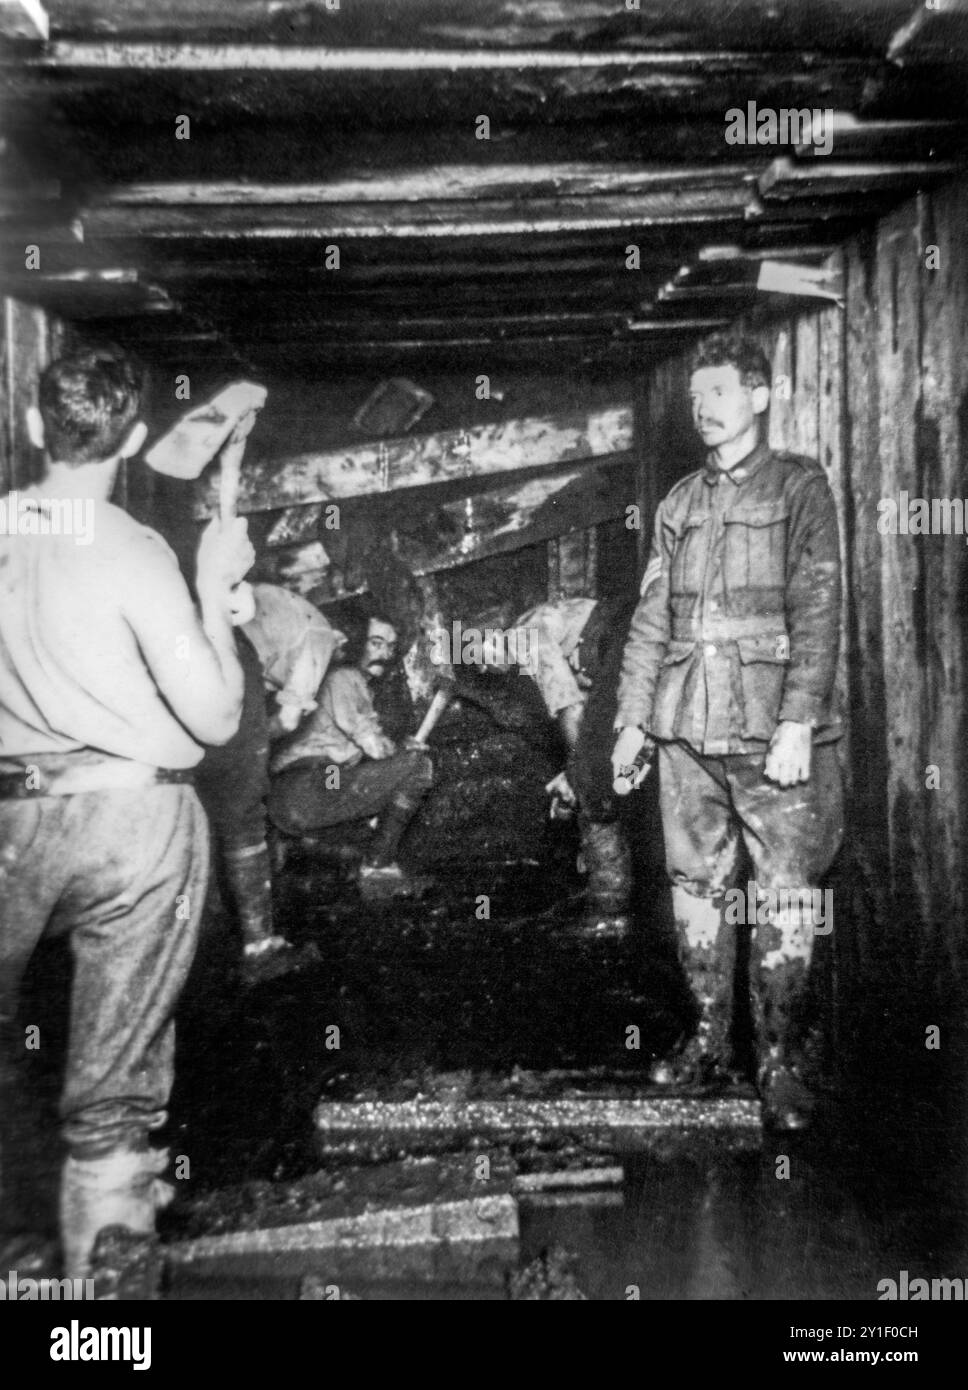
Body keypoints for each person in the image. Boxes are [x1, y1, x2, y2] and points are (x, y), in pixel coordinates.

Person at [0, 345, 253, 1275]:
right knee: (108, 1107)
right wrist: (212, 592)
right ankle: (95, 1323)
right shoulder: (128, 549)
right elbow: (216, 716)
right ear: (135, 437)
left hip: (10, 826)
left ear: (33, 429)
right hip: (131, 826)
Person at [611, 331, 844, 1130]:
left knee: (783, 897)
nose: (703, 409)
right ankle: (708, 1042)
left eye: (719, 393)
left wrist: (798, 721)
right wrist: (632, 721)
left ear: (760, 396)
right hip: (686, 731)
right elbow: (650, 620)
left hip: (770, 731)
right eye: (696, 398)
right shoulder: (677, 502)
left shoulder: (800, 488)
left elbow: (819, 610)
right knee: (694, 890)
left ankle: (777, 1064)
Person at [194, 581, 345, 981]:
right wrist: (255, 740)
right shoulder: (321, 635)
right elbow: (288, 720)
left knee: (201, 814)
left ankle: (203, 935)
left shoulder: (272, 600)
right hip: (233, 672)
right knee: (243, 815)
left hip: (201, 664)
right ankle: (259, 947)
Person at [475, 596, 636, 936]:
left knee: (592, 785)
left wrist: (579, 771)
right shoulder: (546, 631)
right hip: (626, 652)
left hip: (626, 642)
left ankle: (610, 913)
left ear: (491, 639)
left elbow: (569, 707)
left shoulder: (523, 636)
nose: (480, 668)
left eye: (477, 655)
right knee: (607, 777)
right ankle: (613, 903)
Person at [268, 612, 433, 901]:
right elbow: (373, 746)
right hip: (310, 785)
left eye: (390, 647)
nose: (384, 653)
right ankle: (377, 868)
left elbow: (366, 744)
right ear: (358, 644)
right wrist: (404, 753)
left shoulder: (342, 681)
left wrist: (394, 749)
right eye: (376, 643)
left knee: (369, 821)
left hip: (292, 798)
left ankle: (306, 853)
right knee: (418, 768)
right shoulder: (344, 677)